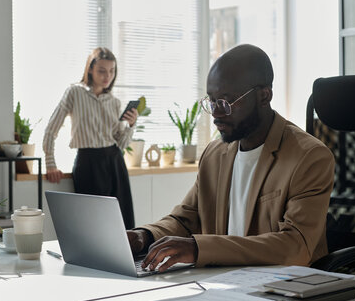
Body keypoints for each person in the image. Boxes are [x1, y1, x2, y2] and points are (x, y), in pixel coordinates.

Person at [127, 44, 335, 272]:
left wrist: (198, 249)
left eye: (226, 102)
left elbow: (295, 246)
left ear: (264, 96)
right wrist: (143, 236)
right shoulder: (214, 154)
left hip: (286, 287)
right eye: (212, 101)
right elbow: (186, 219)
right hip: (224, 281)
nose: (216, 113)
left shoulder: (308, 157)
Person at [43, 47, 138, 229]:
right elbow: (51, 129)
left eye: (111, 71)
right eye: (102, 70)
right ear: (90, 69)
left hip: (115, 162)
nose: (107, 76)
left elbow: (122, 143)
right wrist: (50, 163)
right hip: (87, 163)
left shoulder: (114, 102)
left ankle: (126, 258)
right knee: (91, 224)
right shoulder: (74, 93)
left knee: (122, 222)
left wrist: (131, 125)